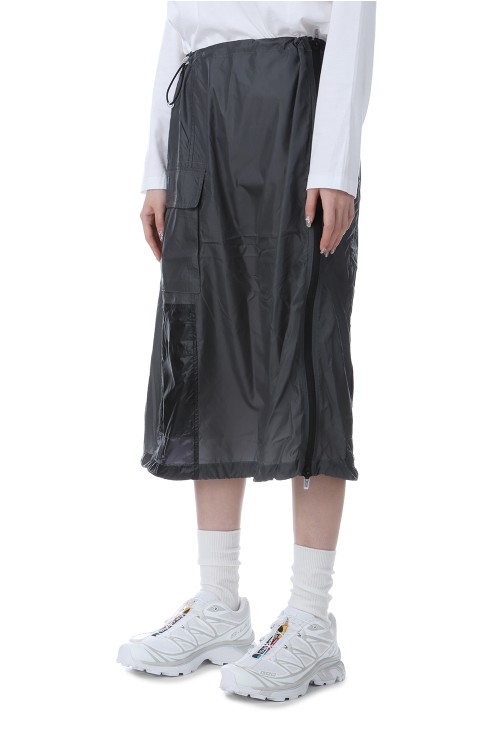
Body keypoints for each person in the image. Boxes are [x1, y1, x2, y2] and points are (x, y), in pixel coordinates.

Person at [117, 0, 376, 702]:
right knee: (207, 354)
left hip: (295, 113)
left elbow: (352, 24)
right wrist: (157, 168)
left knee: (307, 349)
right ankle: (219, 605)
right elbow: (178, 29)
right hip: (203, 118)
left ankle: (311, 621)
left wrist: (336, 166)